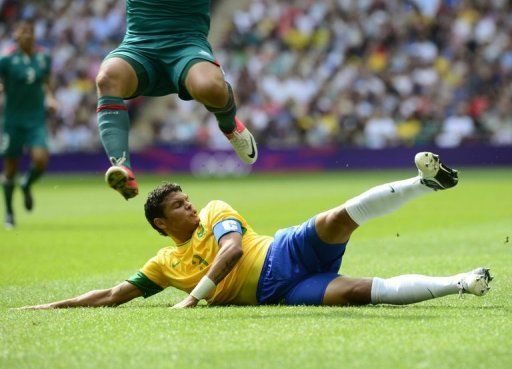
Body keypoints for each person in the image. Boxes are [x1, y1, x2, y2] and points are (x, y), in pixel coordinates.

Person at [18, 152, 492, 310]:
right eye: (180, 206)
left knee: (335, 219)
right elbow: (113, 295)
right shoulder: (165, 265)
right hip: (280, 291)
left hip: (281, 251)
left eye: (188, 198)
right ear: (163, 224)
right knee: (358, 293)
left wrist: (193, 296)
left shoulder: (217, 211)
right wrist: (54, 305)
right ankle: (462, 282)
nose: (191, 205)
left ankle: (426, 182)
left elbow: (229, 252)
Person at [97, 0, 258, 200]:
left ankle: (228, 124)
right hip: (139, 45)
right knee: (108, 77)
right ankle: (122, 168)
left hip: (186, 44)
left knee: (209, 87)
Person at [0, 20, 58, 229]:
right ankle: (9, 213)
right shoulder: (6, 59)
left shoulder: (44, 57)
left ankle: (26, 184)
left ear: (34, 35)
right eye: (22, 31)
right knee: (10, 169)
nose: (27, 35)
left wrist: (51, 98)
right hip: (12, 121)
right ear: (15, 35)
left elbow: (47, 82)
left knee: (41, 160)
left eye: (30, 31)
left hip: (35, 120)